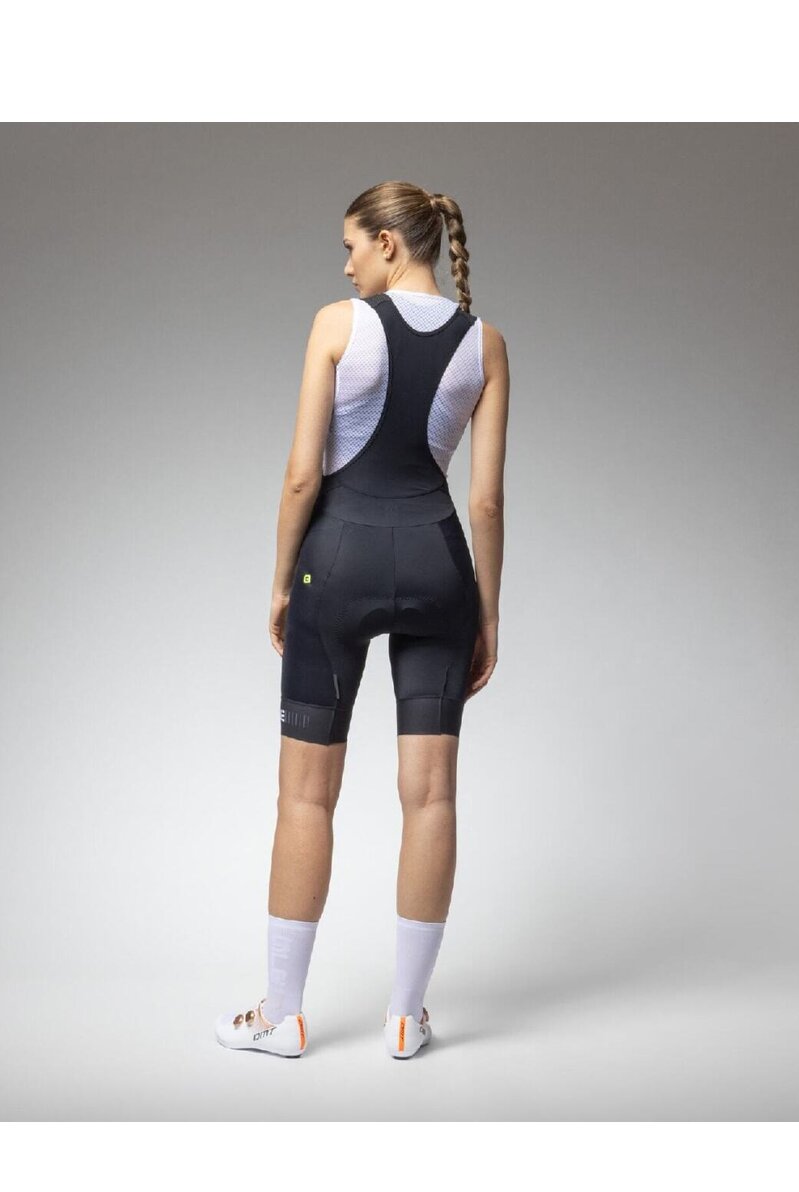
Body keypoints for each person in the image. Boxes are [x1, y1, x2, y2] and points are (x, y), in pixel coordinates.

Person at [215, 180, 508, 1059]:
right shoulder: (487, 344)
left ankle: (282, 1015)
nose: (345, 266)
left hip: (336, 562)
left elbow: (302, 475)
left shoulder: (337, 325)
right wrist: (487, 614)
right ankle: (406, 1018)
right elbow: (485, 502)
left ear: (387, 242)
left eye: (350, 246)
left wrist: (281, 583)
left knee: (306, 795)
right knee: (433, 795)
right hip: (439, 567)